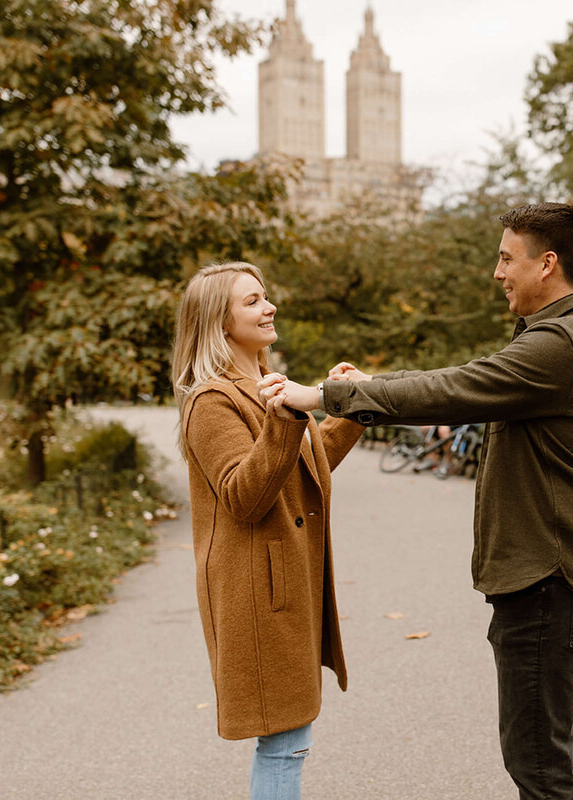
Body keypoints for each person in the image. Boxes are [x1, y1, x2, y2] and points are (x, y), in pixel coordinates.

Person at [266, 203, 573, 799]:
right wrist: (363, 387)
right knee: (546, 751)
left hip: (553, 577)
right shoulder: (555, 336)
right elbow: (459, 379)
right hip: (548, 577)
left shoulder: (562, 343)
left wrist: (324, 395)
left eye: (508, 257)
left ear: (549, 263)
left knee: (538, 763)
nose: (497, 271)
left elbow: (454, 388)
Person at [171, 262, 365, 800]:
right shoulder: (211, 401)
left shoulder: (261, 386)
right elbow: (245, 495)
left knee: (291, 736)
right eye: (252, 301)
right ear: (219, 321)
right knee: (284, 739)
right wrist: (284, 417)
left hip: (285, 584)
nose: (268, 307)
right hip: (258, 591)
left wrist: (346, 411)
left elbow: (299, 469)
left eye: (265, 296)